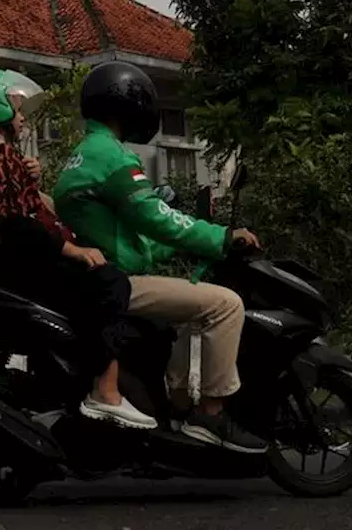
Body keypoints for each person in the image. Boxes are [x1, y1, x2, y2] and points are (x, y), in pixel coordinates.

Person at [52, 60, 267, 454]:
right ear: (125, 104)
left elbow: (136, 236)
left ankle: (178, 402)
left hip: (105, 275)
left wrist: (192, 240)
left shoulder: (83, 153)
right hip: (118, 281)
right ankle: (211, 414)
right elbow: (155, 218)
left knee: (190, 309)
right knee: (225, 304)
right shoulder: (112, 157)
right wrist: (222, 237)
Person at [0, 68, 156, 430]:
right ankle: (106, 392)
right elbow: (17, 223)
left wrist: (27, 178)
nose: (23, 116)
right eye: (16, 108)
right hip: (13, 261)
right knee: (109, 283)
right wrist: (73, 251)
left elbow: (11, 207)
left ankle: (62, 392)